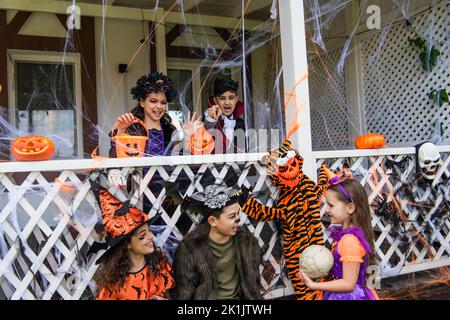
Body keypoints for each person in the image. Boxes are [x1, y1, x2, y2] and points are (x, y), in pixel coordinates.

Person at [108, 71, 201, 188]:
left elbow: (182, 166)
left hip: (166, 193)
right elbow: (114, 152)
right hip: (139, 192)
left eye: (163, 103)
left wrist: (187, 138)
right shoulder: (133, 129)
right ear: (142, 102)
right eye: (153, 101)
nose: (159, 107)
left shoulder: (170, 131)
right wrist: (120, 130)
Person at [172, 184, 262, 300]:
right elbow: (186, 293)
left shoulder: (246, 243)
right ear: (213, 221)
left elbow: (252, 286)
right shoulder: (190, 251)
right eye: (231, 216)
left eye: (238, 213)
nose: (238, 219)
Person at [90, 181, 174, 300]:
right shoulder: (113, 283)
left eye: (149, 231)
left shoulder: (160, 266)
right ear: (127, 244)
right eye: (142, 236)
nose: (150, 237)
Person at [299, 177, 380, 300]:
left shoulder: (349, 241)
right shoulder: (347, 236)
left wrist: (313, 285)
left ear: (350, 208)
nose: (327, 210)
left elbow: (348, 284)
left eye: (331, 205)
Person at [203, 78, 246, 154]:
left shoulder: (241, 124)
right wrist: (211, 118)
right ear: (215, 100)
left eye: (231, 98)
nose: (227, 102)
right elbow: (208, 124)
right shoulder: (212, 120)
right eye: (222, 98)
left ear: (236, 100)